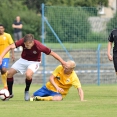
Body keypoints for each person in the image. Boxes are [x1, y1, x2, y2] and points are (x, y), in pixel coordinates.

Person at [0, 34, 67, 101]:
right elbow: (10, 47)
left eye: (27, 45)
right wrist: (1, 57)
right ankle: (10, 93)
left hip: (34, 62)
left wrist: (62, 62)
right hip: (23, 60)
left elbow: (52, 53)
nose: (25, 46)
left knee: (28, 74)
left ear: (32, 42)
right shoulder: (23, 41)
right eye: (25, 44)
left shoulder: (39, 46)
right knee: (9, 73)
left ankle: (26, 91)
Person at [0, 24, 14, 89]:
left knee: (3, 69)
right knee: (2, 71)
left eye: (1, 28)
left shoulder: (7, 36)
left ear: (4, 29)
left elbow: (12, 45)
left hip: (5, 56)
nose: (0, 29)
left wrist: (13, 55)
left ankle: (6, 86)